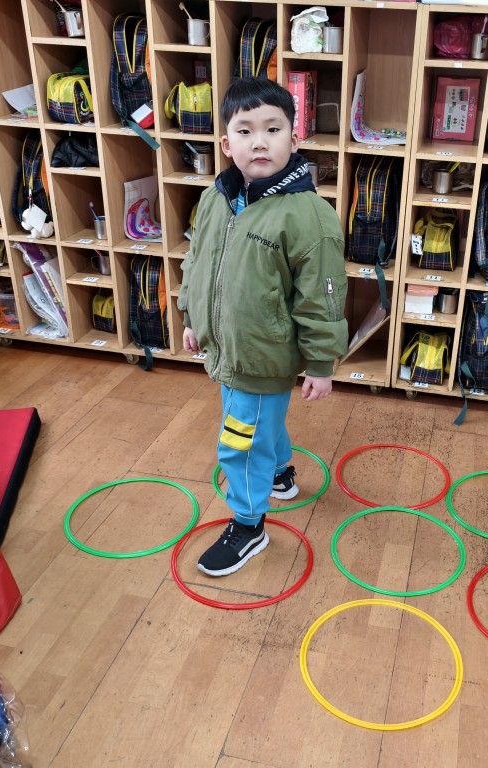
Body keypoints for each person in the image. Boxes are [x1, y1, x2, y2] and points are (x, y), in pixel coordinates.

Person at [177, 77, 348, 577]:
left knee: (240, 441)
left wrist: (321, 362)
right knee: (260, 421)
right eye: (245, 130)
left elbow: (323, 296)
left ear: (294, 139)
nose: (259, 142)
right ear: (226, 144)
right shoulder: (217, 198)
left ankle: (249, 525)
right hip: (227, 346)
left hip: (263, 354)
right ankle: (280, 475)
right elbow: (197, 261)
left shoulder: (309, 215)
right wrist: (192, 316)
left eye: (273, 129)